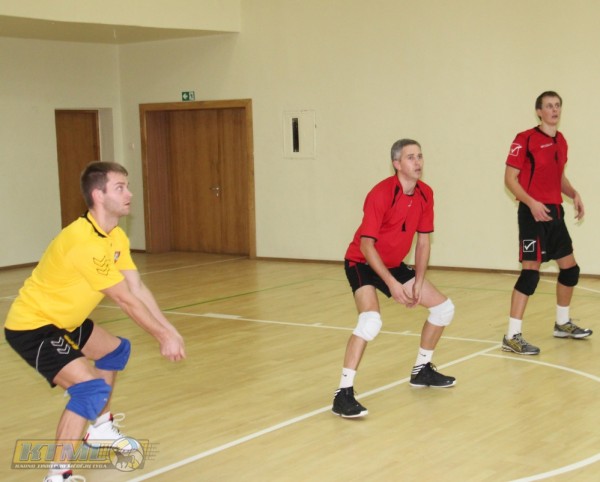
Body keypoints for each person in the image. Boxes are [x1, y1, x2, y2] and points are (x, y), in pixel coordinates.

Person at [4, 162, 186, 482]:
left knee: (114, 351)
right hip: (34, 326)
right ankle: (57, 475)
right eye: (120, 187)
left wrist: (168, 329)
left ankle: (100, 431)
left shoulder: (115, 236)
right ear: (98, 195)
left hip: (67, 321)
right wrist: (161, 336)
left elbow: (136, 288)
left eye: (127, 186)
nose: (129, 193)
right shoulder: (84, 242)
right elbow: (125, 300)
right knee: (88, 390)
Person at [332, 139, 456, 419]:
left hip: (393, 264)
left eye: (420, 156)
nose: (418, 162)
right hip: (362, 262)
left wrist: (419, 281)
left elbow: (423, 242)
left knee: (444, 309)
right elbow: (366, 245)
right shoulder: (381, 193)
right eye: (411, 157)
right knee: (370, 321)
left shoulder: (425, 193)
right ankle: (343, 393)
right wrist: (392, 283)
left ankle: (422, 370)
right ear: (397, 164)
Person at [502, 91, 591, 355]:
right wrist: (531, 203)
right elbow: (510, 179)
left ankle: (562, 323)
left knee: (570, 269)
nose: (554, 110)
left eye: (558, 106)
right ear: (539, 111)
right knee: (530, 274)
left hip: (555, 212)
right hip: (532, 214)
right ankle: (512, 336)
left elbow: (558, 177)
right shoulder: (525, 139)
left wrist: (573, 193)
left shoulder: (561, 141)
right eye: (549, 106)